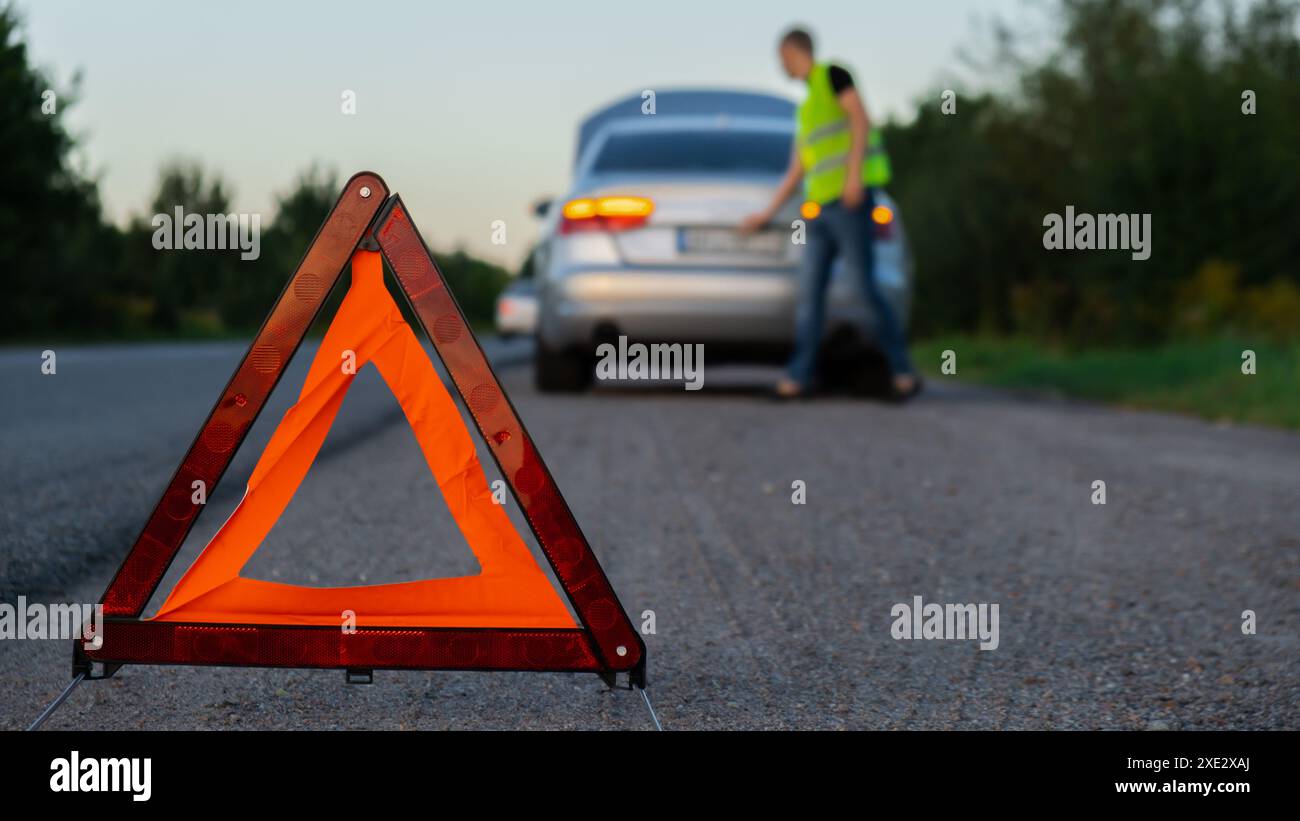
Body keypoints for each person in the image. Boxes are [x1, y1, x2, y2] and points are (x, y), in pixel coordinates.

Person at [741, 27, 919, 400]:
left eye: (782, 58)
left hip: (849, 204)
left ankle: (902, 370)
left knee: (863, 287)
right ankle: (799, 377)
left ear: (793, 51)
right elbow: (798, 169)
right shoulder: (806, 110)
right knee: (810, 295)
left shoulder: (834, 75)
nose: (781, 65)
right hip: (819, 211)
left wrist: (853, 177)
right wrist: (766, 213)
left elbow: (861, 119)